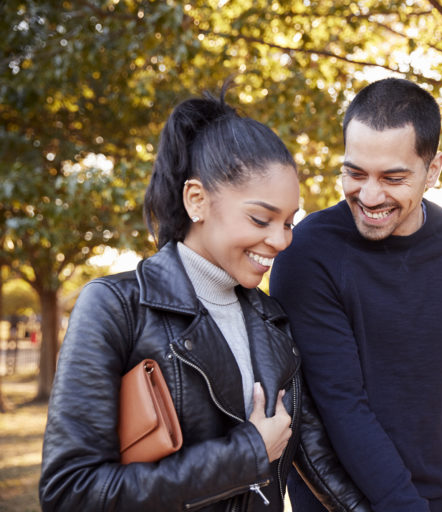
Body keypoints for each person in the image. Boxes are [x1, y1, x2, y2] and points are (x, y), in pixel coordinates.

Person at [39, 88, 370, 512]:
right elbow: (70, 491)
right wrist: (246, 454)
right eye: (260, 218)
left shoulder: (273, 321)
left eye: (289, 222)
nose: (281, 240)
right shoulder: (115, 307)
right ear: (197, 199)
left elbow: (317, 458)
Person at [270, 77, 442, 512]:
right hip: (340, 503)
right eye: (354, 173)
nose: (369, 196)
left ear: (434, 169)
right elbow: (340, 402)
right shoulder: (308, 250)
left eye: (393, 177)